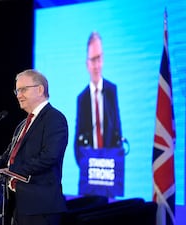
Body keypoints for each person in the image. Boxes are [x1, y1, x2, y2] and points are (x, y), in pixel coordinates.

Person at [0, 69, 68, 225]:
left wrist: (13, 171)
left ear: (40, 89)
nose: (18, 95)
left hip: (40, 207)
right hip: (18, 204)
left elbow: (49, 156)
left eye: (23, 89)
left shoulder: (54, 118)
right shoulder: (22, 124)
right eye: (17, 90)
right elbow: (7, 157)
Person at [74, 31, 123, 196]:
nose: (97, 64)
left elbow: (117, 129)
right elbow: (77, 138)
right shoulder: (82, 99)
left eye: (99, 58)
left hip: (109, 171)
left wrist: (115, 162)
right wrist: (85, 164)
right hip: (90, 171)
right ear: (87, 63)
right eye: (93, 59)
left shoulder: (111, 90)